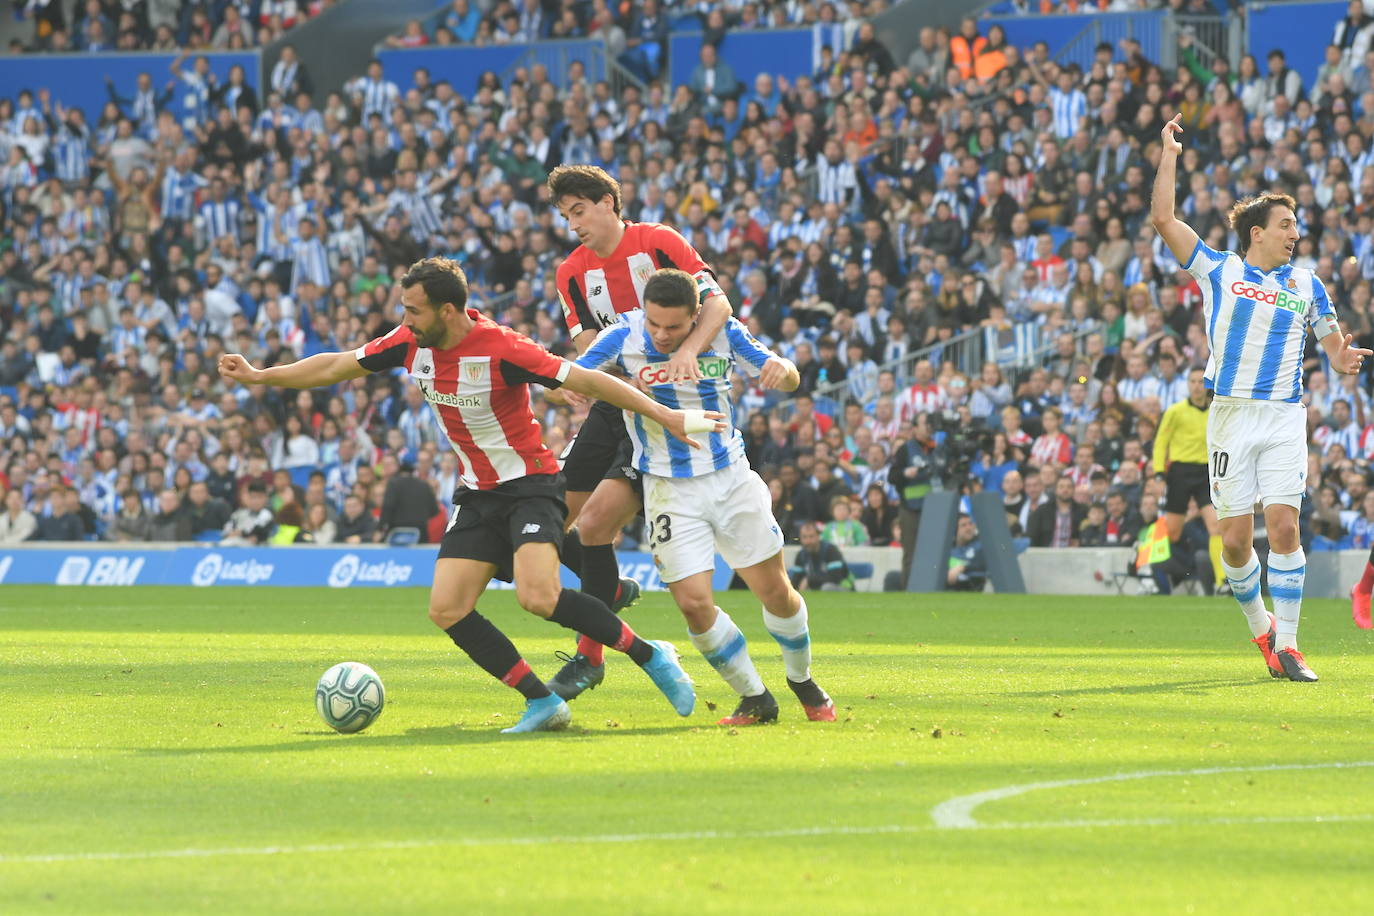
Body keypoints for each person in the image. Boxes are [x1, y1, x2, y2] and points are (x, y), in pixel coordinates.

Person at [218, 258, 710, 734]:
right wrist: (263, 375)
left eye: (414, 310)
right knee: (447, 608)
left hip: (530, 485)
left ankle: (651, 655)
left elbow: (586, 379)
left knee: (538, 598)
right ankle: (543, 702)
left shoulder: (501, 346)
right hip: (478, 494)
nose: (405, 320)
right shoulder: (410, 343)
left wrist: (663, 415)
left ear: (447, 311)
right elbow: (336, 366)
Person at [1153, 114, 1369, 682]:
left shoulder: (1307, 284)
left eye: (1296, 225)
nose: (1294, 232)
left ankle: (1292, 647)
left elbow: (1330, 343)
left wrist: (1343, 358)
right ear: (1257, 232)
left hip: (1281, 417)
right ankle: (1262, 631)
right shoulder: (1218, 270)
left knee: (1284, 529)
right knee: (1233, 542)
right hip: (1229, 417)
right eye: (1285, 224)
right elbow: (1163, 218)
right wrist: (1170, 154)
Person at [575, 268, 835, 725]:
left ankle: (802, 679)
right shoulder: (623, 335)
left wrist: (783, 370)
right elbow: (568, 379)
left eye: (673, 327)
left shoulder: (725, 333)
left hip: (730, 478)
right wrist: (606, 389)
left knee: (775, 592)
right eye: (654, 323)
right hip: (665, 487)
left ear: (697, 316)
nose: (660, 334)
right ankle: (756, 697)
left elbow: (791, 376)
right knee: (694, 603)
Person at [544, 164, 733, 699]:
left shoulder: (659, 242)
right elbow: (585, 343)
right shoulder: (571, 273)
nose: (573, 224)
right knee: (549, 520)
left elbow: (717, 301)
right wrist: (586, 379)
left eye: (579, 211)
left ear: (608, 202)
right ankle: (610, 589)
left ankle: (589, 657)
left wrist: (690, 352)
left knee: (597, 523)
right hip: (613, 405)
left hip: (667, 407)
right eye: (565, 216)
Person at [1152, 367, 1223, 593]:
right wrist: (1158, 473)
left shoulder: (1215, 411)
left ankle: (1222, 582)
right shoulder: (1175, 411)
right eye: (1191, 381)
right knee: (1172, 532)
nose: (1195, 385)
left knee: (1216, 527)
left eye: (1199, 381)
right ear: (1187, 385)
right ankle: (1149, 566)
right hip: (1180, 473)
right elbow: (1161, 442)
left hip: (1205, 472)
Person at [376, 460, 438, 542]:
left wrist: (380, 528)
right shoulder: (424, 485)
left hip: (397, 531)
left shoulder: (393, 483)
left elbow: (388, 506)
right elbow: (434, 510)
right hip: (420, 531)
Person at [789, 522, 853, 592]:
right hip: (818, 588)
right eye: (805, 537)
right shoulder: (801, 555)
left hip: (843, 587)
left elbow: (835, 577)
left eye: (811, 536)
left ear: (818, 536)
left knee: (827, 587)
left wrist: (809, 580)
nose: (808, 541)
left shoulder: (830, 550)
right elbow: (796, 578)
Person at [947, 515, 987, 592]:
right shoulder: (947, 548)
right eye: (963, 525)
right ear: (955, 530)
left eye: (970, 523)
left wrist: (962, 567)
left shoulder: (981, 544)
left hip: (974, 588)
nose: (969, 528)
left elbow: (982, 562)